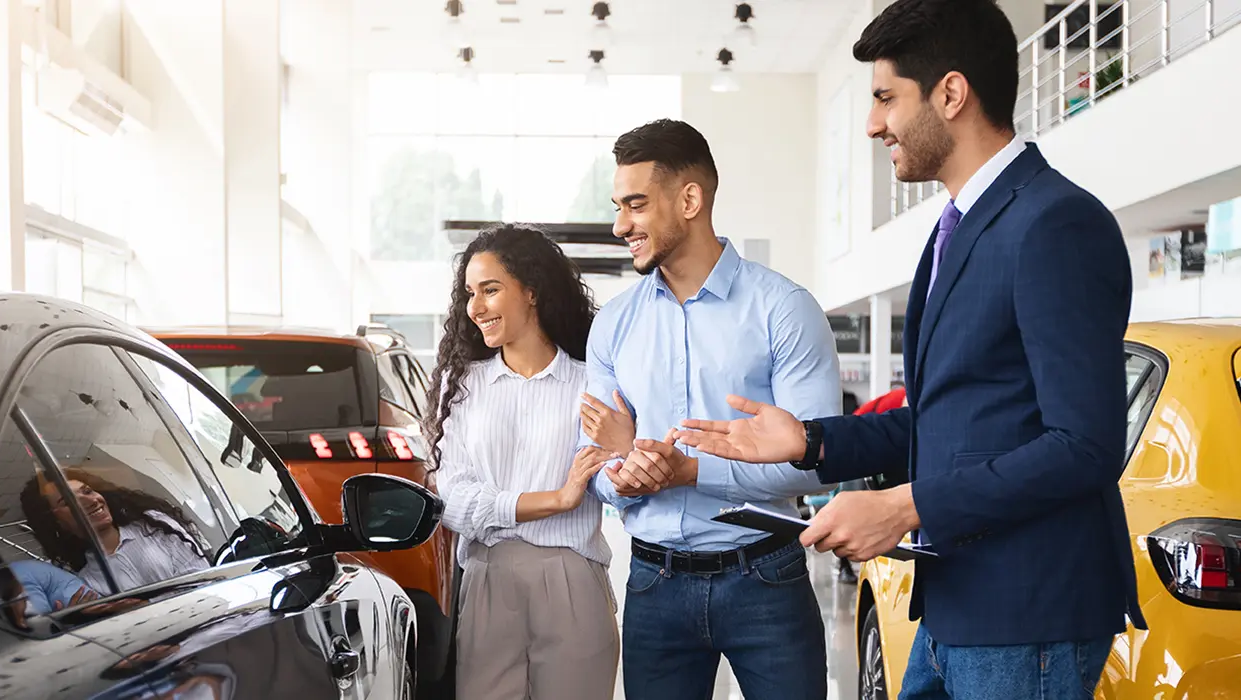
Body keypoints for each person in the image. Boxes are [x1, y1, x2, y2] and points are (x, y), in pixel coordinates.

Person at [674, 1, 1145, 698]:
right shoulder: (955, 227)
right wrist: (806, 441)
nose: (872, 124)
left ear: (950, 94)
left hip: (1027, 615)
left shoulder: (1054, 224)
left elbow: (1083, 445)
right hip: (957, 602)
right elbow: (938, 422)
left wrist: (906, 506)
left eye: (885, 98)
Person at [578, 118, 840, 700]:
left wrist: (689, 469)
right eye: (618, 206)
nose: (621, 225)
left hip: (766, 577)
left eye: (636, 205)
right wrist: (627, 474)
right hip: (653, 584)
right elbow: (593, 463)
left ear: (690, 199)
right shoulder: (613, 326)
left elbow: (816, 461)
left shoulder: (785, 311)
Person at [426, 224, 619, 700]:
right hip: (488, 578)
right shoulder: (463, 386)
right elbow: (453, 499)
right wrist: (553, 499)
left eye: (490, 290)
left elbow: (610, 470)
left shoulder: (590, 384)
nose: (475, 307)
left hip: (572, 577)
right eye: (470, 293)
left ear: (531, 291)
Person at [21, 469, 211, 594]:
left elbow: (202, 580)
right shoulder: (85, 580)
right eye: (69, 501)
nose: (92, 501)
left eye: (87, 491)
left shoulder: (153, 524)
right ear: (56, 522)